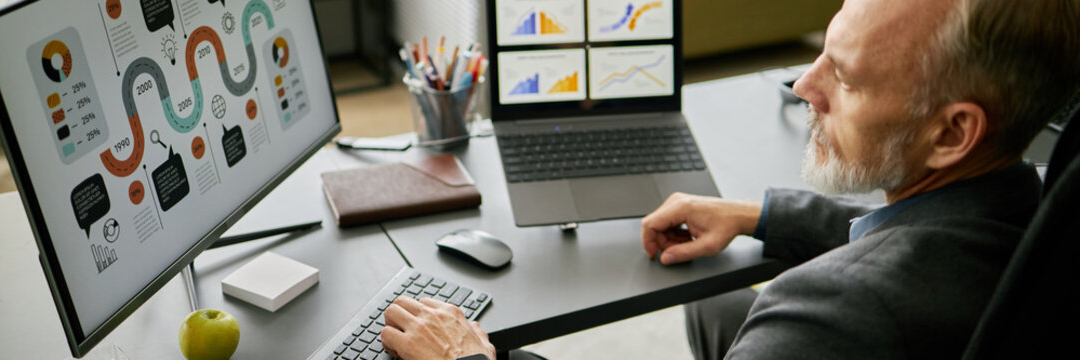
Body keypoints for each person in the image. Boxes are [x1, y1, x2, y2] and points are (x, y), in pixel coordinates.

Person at [379, 0, 1080, 358]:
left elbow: (860, 288)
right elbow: (925, 238)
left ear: (952, 133)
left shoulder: (827, 318)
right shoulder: (1040, 200)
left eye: (845, 75)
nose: (805, 84)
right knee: (708, 306)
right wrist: (759, 215)